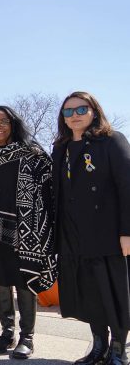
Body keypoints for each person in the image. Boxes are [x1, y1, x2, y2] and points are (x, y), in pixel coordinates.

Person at [0, 106, 56, 359]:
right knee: (1, 283)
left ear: (13, 123)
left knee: (24, 281)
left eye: (3, 121)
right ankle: (7, 332)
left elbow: (50, 190)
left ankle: (27, 337)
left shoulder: (32, 153)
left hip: (26, 231)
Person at [52, 91, 130, 365]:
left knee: (114, 293)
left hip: (106, 233)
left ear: (94, 111)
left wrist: (127, 232)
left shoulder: (111, 140)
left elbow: (126, 187)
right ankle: (98, 346)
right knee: (89, 293)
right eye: (68, 111)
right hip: (73, 235)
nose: (74, 116)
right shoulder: (60, 147)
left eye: (81, 109)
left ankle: (119, 350)